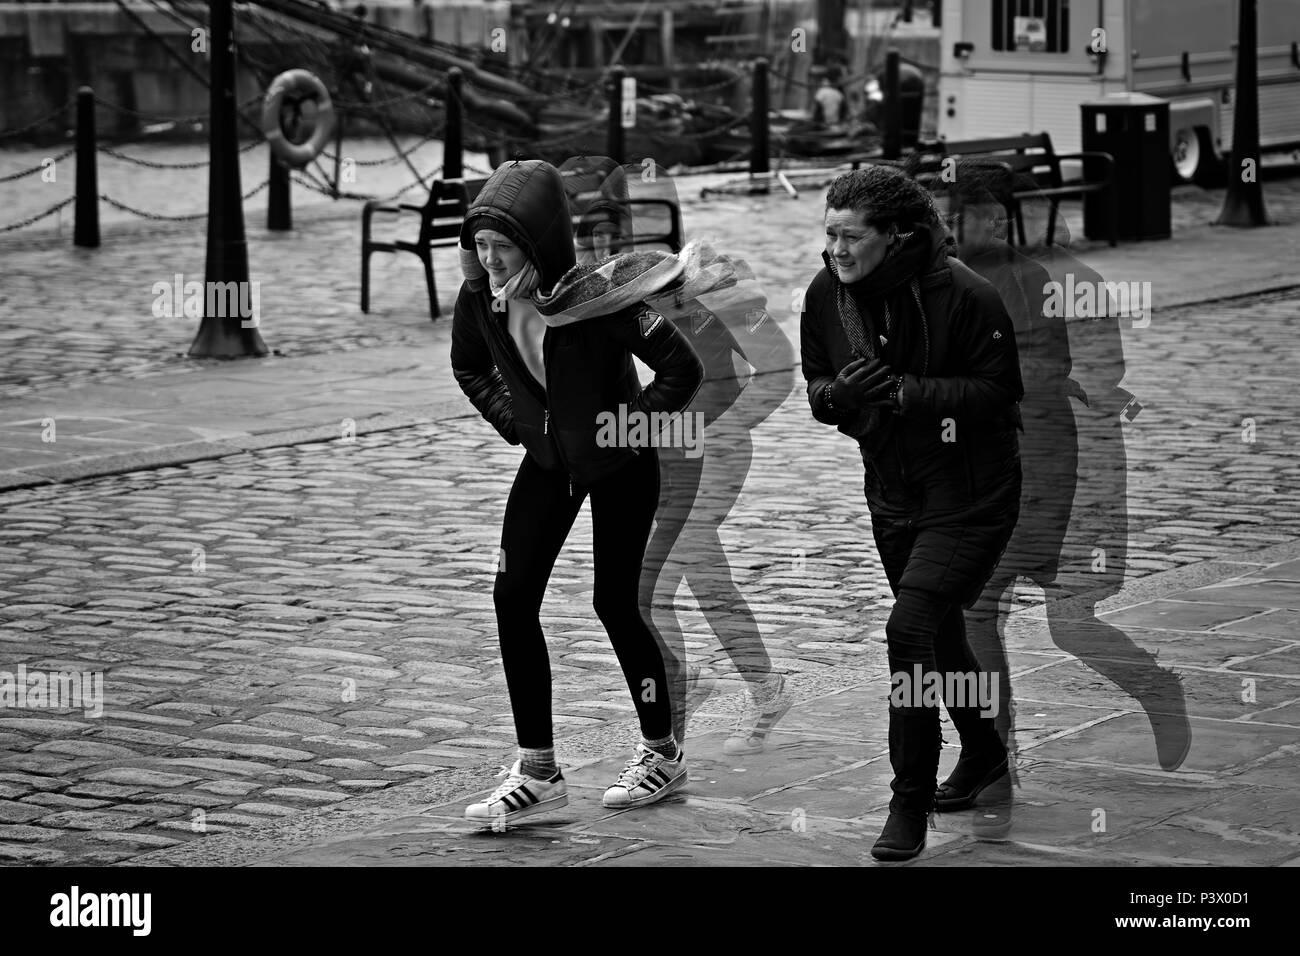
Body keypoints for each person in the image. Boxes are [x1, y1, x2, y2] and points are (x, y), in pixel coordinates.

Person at [450, 160, 704, 826]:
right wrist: (515, 422)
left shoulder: (595, 299)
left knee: (614, 603)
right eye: (479, 246)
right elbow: (468, 365)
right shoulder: (479, 299)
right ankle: (539, 771)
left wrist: (629, 427)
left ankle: (662, 754)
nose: (489, 259)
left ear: (535, 243)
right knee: (512, 598)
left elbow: (683, 365)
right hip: (546, 460)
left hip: (620, 464)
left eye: (501, 247)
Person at [799, 165, 1024, 861]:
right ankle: (985, 750)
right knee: (939, 630)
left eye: (850, 235)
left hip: (972, 495)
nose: (836, 249)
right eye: (829, 233)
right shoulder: (825, 294)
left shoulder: (967, 294)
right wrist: (840, 394)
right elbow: (815, 387)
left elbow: (998, 392)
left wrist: (902, 392)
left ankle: (908, 802)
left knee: (909, 629)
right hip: (892, 494)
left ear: (896, 235)